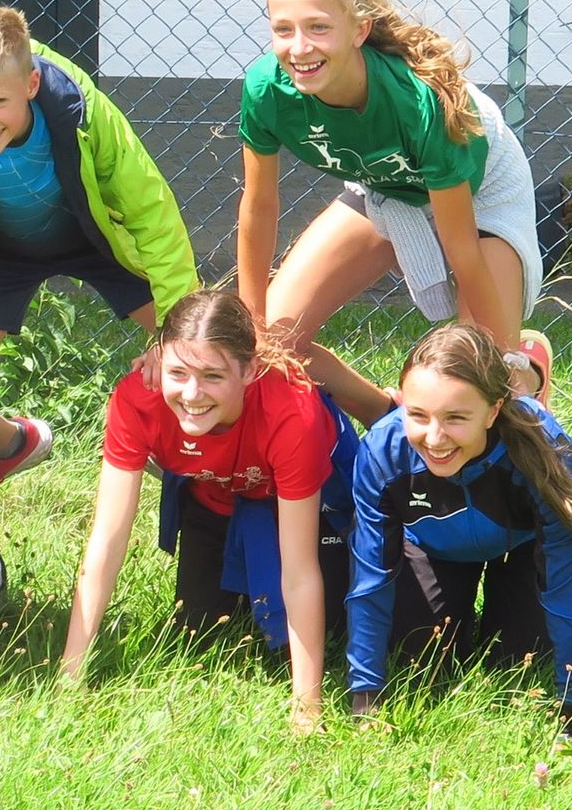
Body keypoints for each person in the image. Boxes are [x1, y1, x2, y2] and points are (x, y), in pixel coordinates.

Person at [234, 0, 555, 403]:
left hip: (481, 191)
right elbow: (259, 206)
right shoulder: (266, 89)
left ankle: (529, 372)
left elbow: (461, 248)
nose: (299, 47)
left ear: (359, 29)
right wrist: (252, 328)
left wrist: (500, 355)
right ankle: (385, 416)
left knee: (481, 377)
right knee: (273, 348)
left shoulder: (420, 102)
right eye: (283, 29)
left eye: (318, 27)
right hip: (384, 186)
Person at [0, 2, 201, 482]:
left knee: (202, 352)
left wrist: (175, 339)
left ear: (31, 84)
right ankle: (9, 445)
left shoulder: (83, 111)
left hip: (94, 239)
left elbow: (152, 214)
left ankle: (206, 469)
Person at [60, 289, 364, 732]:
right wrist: (70, 676)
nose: (191, 393)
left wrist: (307, 708)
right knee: (199, 633)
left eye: (212, 376)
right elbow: (106, 540)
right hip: (216, 497)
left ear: (249, 370)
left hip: (305, 507)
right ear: (159, 359)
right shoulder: (138, 399)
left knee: (324, 631)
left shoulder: (291, 411)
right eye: (177, 372)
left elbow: (300, 570)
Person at [346, 323, 572, 737]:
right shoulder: (382, 453)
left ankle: (531, 389)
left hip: (521, 549)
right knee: (421, 660)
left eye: (455, 418)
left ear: (493, 411)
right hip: (433, 547)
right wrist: (365, 700)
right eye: (417, 415)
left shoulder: (551, 456)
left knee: (519, 662)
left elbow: (567, 592)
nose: (434, 438)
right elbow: (370, 582)